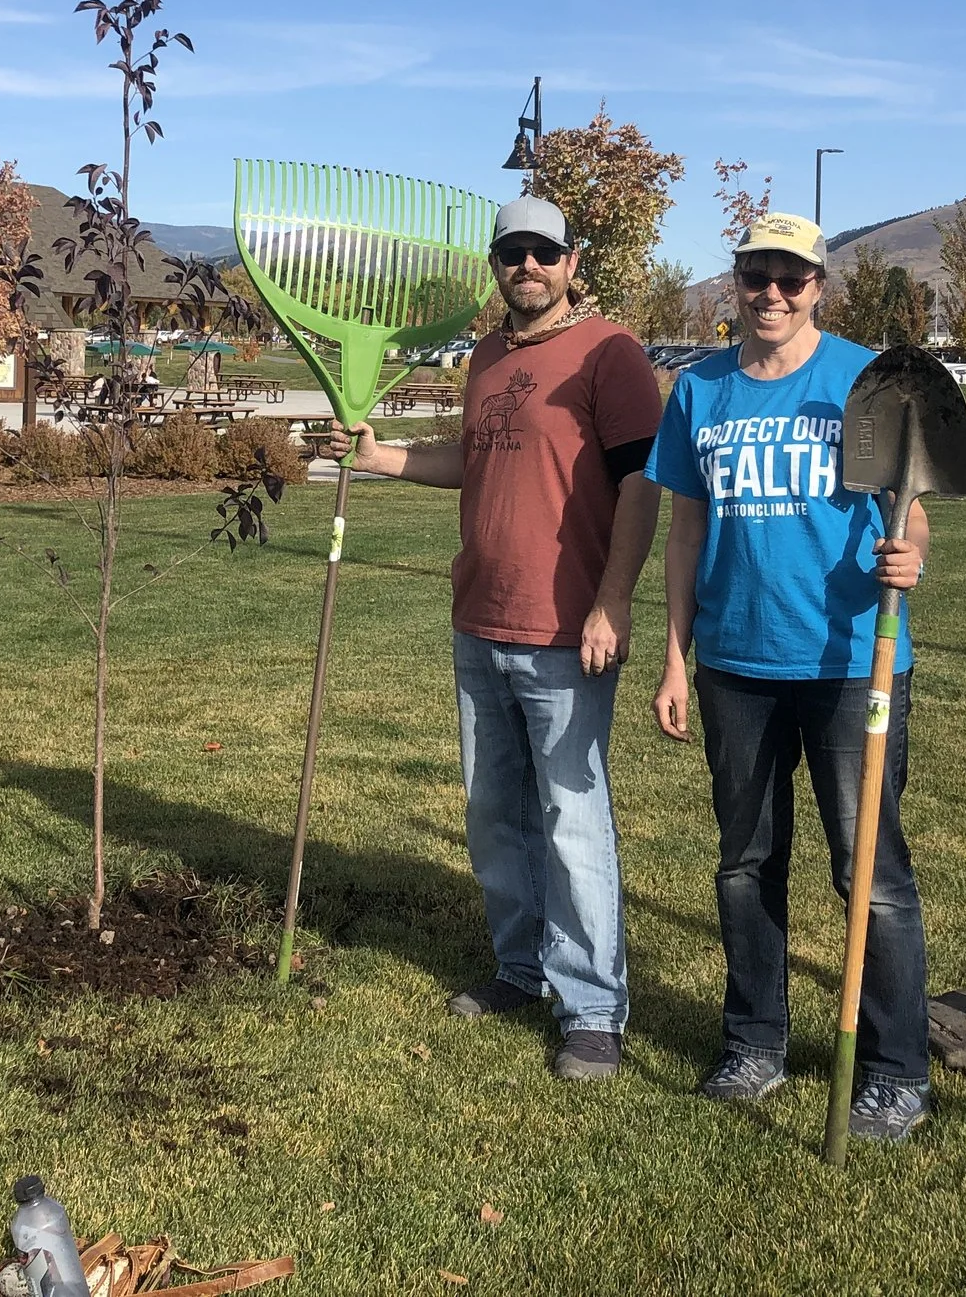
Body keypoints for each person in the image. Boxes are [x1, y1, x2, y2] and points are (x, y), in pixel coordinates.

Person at [329, 196, 662, 1081]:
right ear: (496, 264)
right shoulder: (484, 356)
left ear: (571, 261)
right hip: (479, 619)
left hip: (564, 633)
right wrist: (383, 456)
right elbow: (471, 458)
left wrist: (614, 601)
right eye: (512, 252)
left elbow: (641, 485)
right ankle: (522, 969)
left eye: (542, 253)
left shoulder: (610, 353)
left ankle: (592, 1008)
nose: (527, 266)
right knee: (493, 816)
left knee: (572, 821)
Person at [646, 211, 932, 1140]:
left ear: (819, 286)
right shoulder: (701, 391)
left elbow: (910, 507)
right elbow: (685, 530)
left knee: (870, 874)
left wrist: (908, 555)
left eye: (791, 278)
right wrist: (673, 657)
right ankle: (755, 1043)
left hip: (850, 661)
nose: (771, 293)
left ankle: (894, 1069)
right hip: (735, 663)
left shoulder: (861, 379)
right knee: (745, 864)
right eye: (755, 275)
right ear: (734, 281)